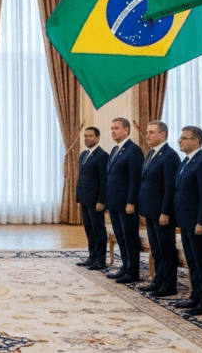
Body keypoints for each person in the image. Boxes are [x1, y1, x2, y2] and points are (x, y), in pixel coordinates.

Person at [174, 125, 202, 316]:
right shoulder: (186, 161)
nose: (180, 141)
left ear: (196, 141)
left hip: (197, 223)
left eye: (184, 138)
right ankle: (195, 296)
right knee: (192, 261)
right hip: (185, 221)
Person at [138, 121, 180, 297]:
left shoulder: (169, 155)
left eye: (152, 132)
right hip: (150, 210)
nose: (147, 135)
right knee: (156, 249)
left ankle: (168, 285)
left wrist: (165, 212)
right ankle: (158, 280)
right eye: (147, 132)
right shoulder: (151, 153)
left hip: (162, 212)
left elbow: (170, 187)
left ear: (163, 135)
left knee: (166, 249)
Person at [105, 117, 143, 283]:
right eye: (112, 128)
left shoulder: (133, 150)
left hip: (126, 204)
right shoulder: (115, 150)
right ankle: (125, 267)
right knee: (120, 237)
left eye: (117, 128)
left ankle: (133, 271)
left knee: (130, 238)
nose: (113, 131)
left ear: (126, 130)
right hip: (114, 203)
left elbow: (136, 179)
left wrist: (131, 202)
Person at [76, 126, 108, 270]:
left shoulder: (102, 156)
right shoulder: (83, 154)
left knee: (98, 230)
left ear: (97, 138)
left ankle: (100, 260)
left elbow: (104, 180)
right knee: (89, 229)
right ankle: (92, 257)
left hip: (96, 201)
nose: (87, 138)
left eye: (90, 136)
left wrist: (101, 200)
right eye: (86, 136)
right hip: (84, 199)